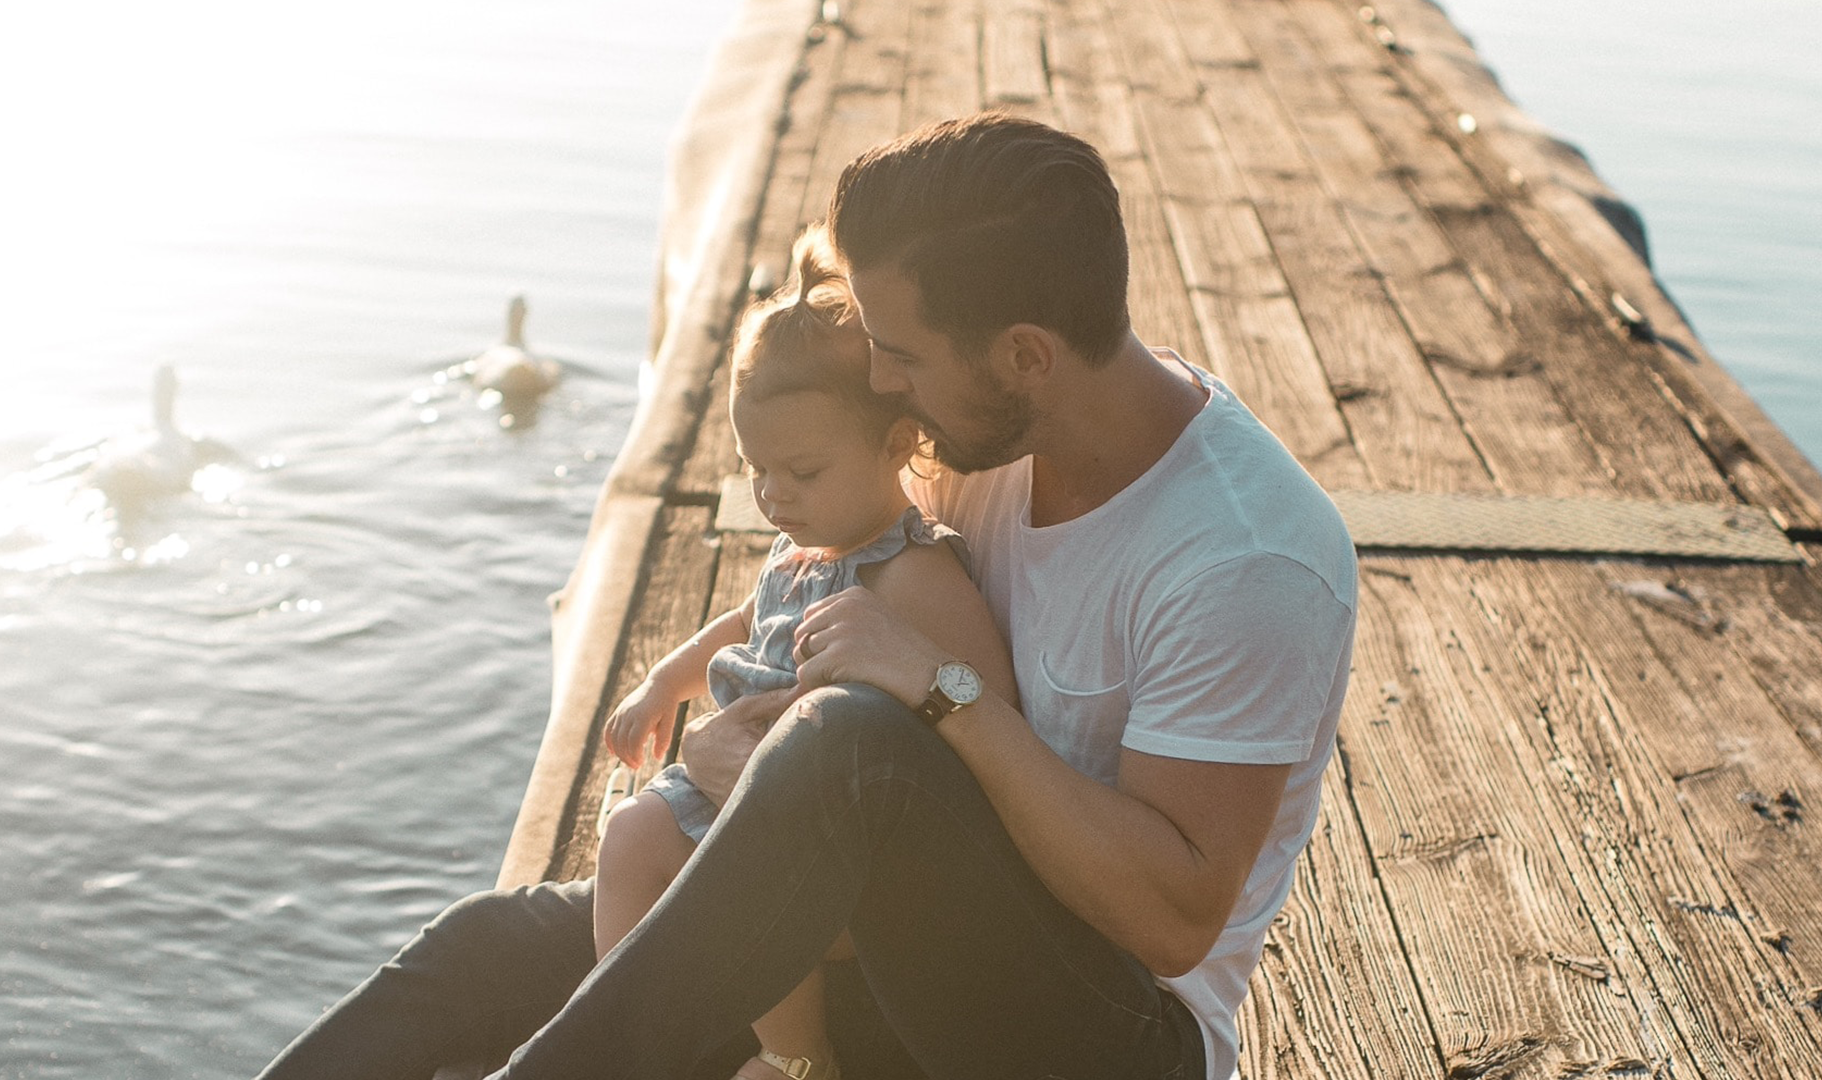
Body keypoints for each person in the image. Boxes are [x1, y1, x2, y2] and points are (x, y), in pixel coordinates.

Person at [255, 112, 1356, 1080]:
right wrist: (744, 755)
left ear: (1024, 355)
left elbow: (1171, 921)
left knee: (851, 746)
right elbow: (818, 582)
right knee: (489, 951)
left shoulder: (1244, 562)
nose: (881, 386)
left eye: (903, 358)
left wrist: (943, 696)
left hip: (1099, 1032)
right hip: (882, 931)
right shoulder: (987, 435)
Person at [593, 224, 1017, 1080]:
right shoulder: (802, 553)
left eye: (805, 472)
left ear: (899, 443)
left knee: (746, 886)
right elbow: (741, 624)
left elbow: (989, 700)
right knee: (629, 838)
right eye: (757, 471)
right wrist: (662, 687)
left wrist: (920, 698)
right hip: (737, 777)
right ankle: (625, 1025)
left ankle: (797, 1056)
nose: (774, 496)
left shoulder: (912, 570)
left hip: (825, 820)